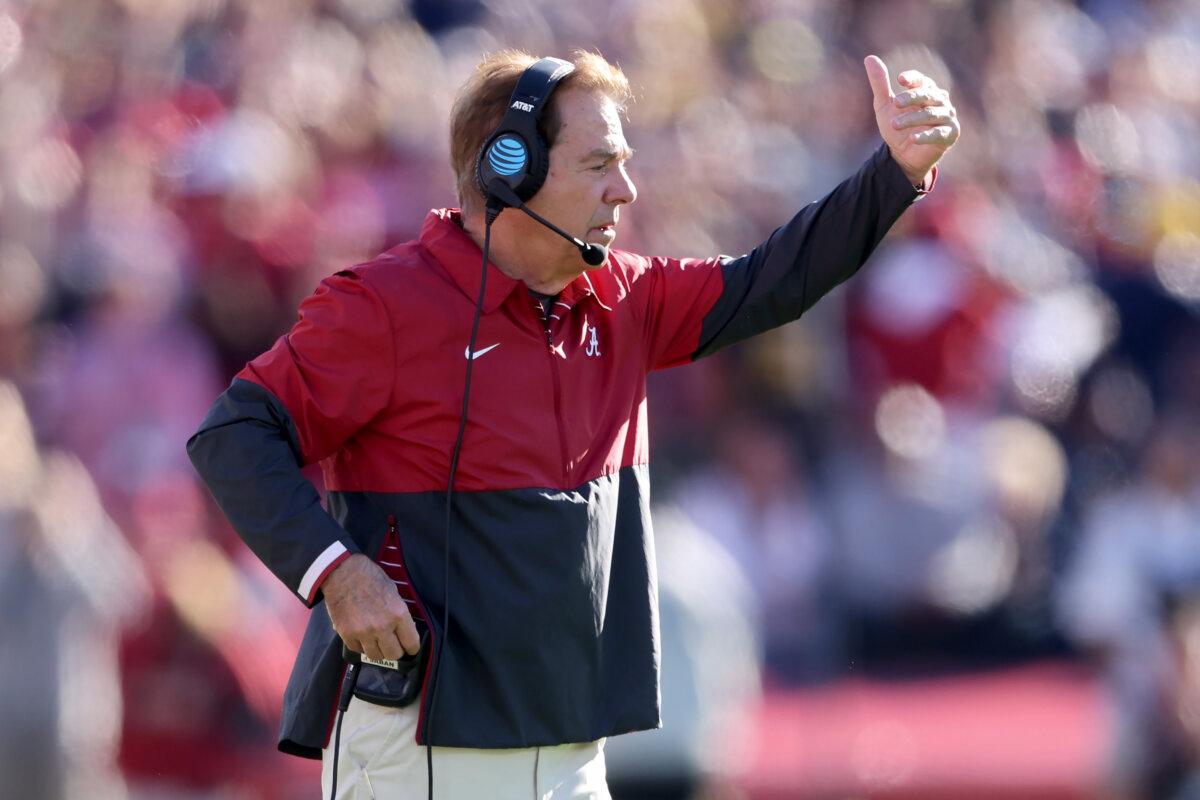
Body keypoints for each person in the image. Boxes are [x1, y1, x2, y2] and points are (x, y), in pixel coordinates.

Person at [187, 48, 959, 799]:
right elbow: (234, 434)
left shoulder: (623, 296)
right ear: (508, 170)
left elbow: (775, 281)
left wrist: (894, 172)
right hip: (421, 747)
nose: (625, 189)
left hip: (572, 751)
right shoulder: (384, 305)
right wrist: (335, 571)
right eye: (598, 164)